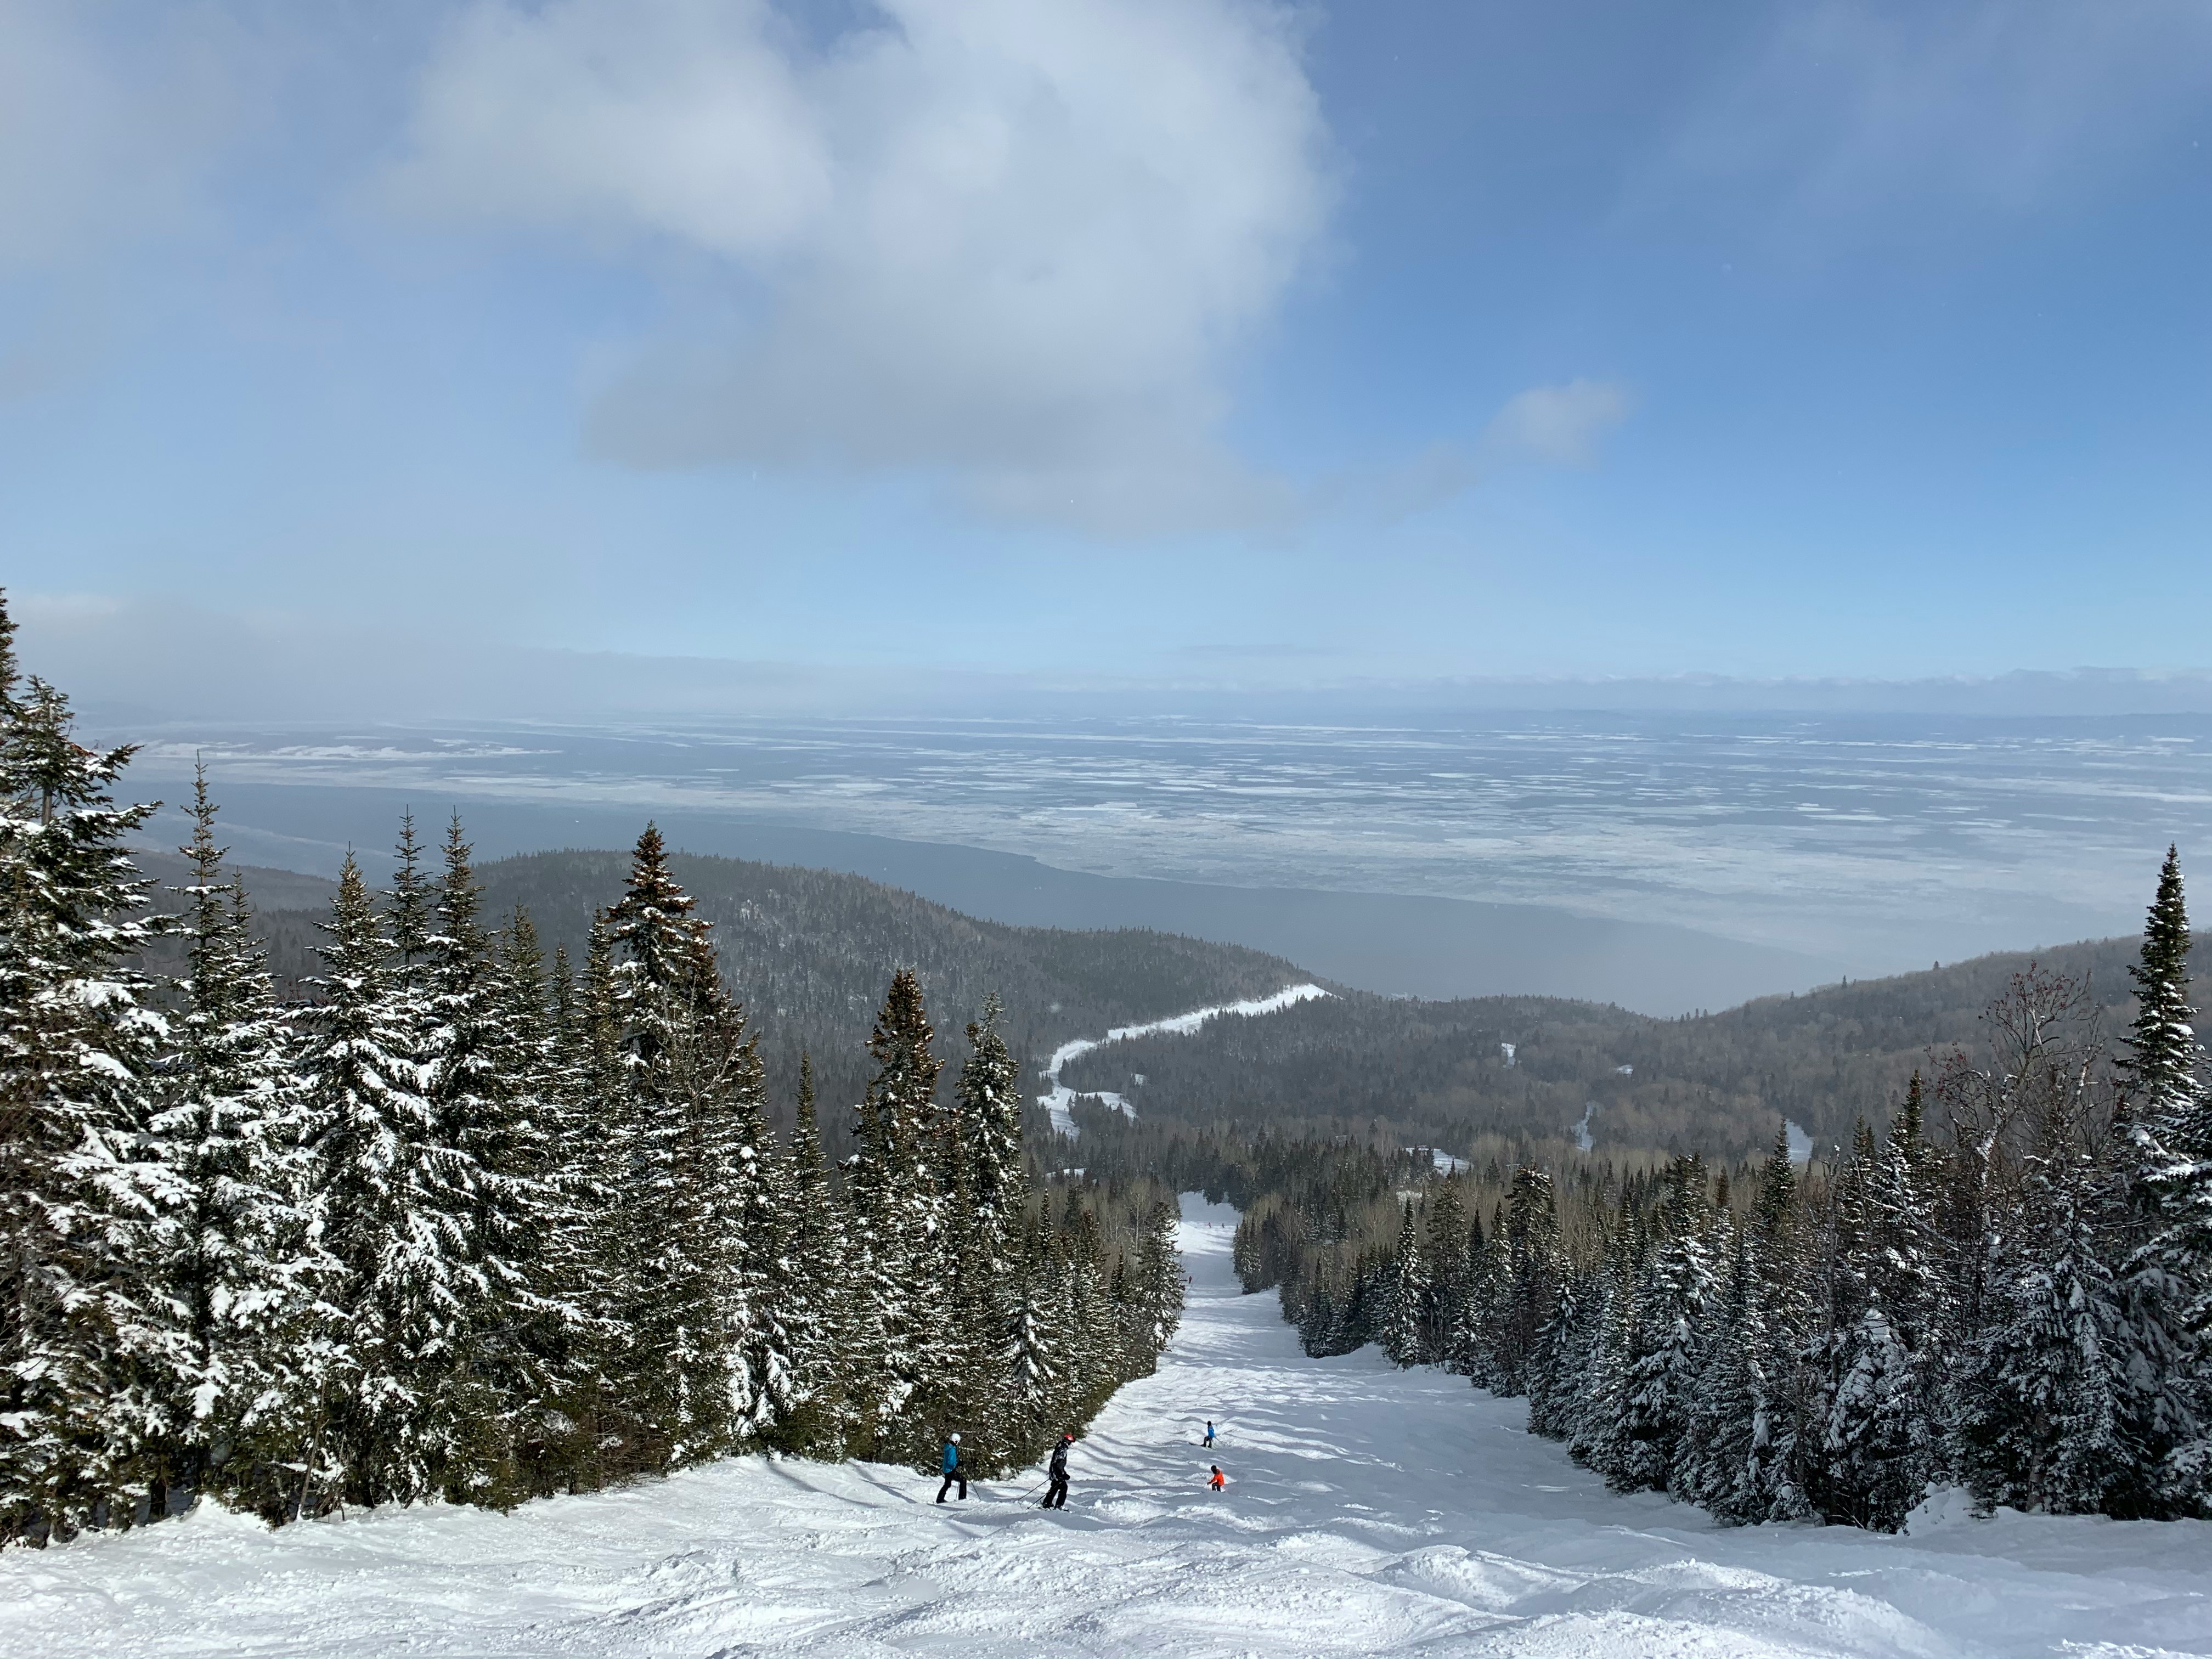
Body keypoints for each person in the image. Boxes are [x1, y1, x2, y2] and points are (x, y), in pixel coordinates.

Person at [1042, 1432, 1073, 1509]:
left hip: (1055, 1472)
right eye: (1070, 1442)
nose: (1071, 1444)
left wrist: (1063, 1473)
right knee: (1064, 1488)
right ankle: (1059, 1506)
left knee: (1055, 1487)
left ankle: (1047, 1503)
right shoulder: (1062, 1450)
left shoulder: (1061, 1448)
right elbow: (1057, 1463)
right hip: (1057, 1473)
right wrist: (1061, 1475)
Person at [936, 1434, 966, 1503]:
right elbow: (950, 1462)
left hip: (947, 1469)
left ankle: (940, 1499)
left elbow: (950, 1460)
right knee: (963, 1480)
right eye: (958, 1441)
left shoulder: (948, 1447)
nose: (958, 1443)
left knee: (947, 1484)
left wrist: (957, 1462)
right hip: (950, 1470)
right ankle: (962, 1499)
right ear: (955, 1441)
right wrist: (957, 1464)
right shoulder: (952, 1449)